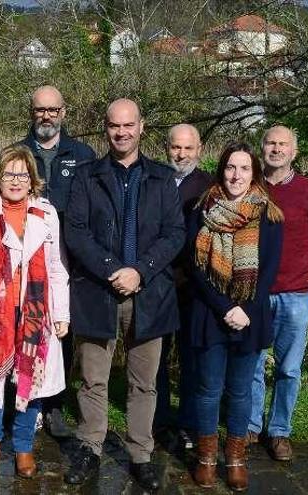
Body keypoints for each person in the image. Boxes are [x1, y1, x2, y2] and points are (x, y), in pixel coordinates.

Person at [63, 99, 186, 491]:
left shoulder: (163, 178)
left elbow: (174, 234)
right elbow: (76, 232)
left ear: (141, 127)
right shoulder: (86, 176)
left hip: (148, 293)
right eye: (114, 125)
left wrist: (140, 271)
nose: (121, 132)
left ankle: (140, 453)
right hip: (99, 292)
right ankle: (90, 446)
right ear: (106, 128)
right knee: (93, 380)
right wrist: (112, 269)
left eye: (128, 125)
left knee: (144, 382)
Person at [0, 145, 70, 481]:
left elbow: (57, 267)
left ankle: (23, 445)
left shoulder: (47, 215)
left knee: (29, 380)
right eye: (9, 173)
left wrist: (60, 312)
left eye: (22, 174)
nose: (16, 180)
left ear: (32, 179)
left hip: (35, 314)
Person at [187, 142, 284, 492]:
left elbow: (270, 269)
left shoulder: (268, 215)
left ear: (254, 174)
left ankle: (237, 460)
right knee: (209, 390)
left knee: (241, 392)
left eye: (244, 169)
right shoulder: (202, 210)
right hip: (211, 313)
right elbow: (195, 268)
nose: (236, 175)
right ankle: (206, 458)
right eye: (230, 167)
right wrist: (224, 307)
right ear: (221, 170)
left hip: (251, 316)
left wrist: (245, 309)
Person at [248, 125, 308, 461]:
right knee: (252, 362)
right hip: (256, 292)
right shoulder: (250, 187)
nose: (276, 149)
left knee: (289, 368)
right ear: (262, 148)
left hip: (296, 294)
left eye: (283, 144)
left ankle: (279, 430)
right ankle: (251, 425)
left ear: (293, 152)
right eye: (270, 142)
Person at [19, 85, 96, 437]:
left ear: (64, 112)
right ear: (32, 112)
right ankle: (26, 401)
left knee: (62, 334)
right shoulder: (17, 154)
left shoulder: (83, 155)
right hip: (27, 262)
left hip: (71, 263)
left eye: (52, 109)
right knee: (28, 333)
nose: (46, 116)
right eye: (40, 110)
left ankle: (54, 405)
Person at [154, 124, 214, 449]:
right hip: (159, 284)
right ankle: (160, 420)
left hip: (194, 287)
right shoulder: (155, 180)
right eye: (176, 147)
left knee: (193, 357)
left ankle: (189, 424)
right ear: (167, 148)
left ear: (199, 149)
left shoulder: (209, 186)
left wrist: (189, 273)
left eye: (188, 148)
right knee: (156, 358)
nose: (182, 154)